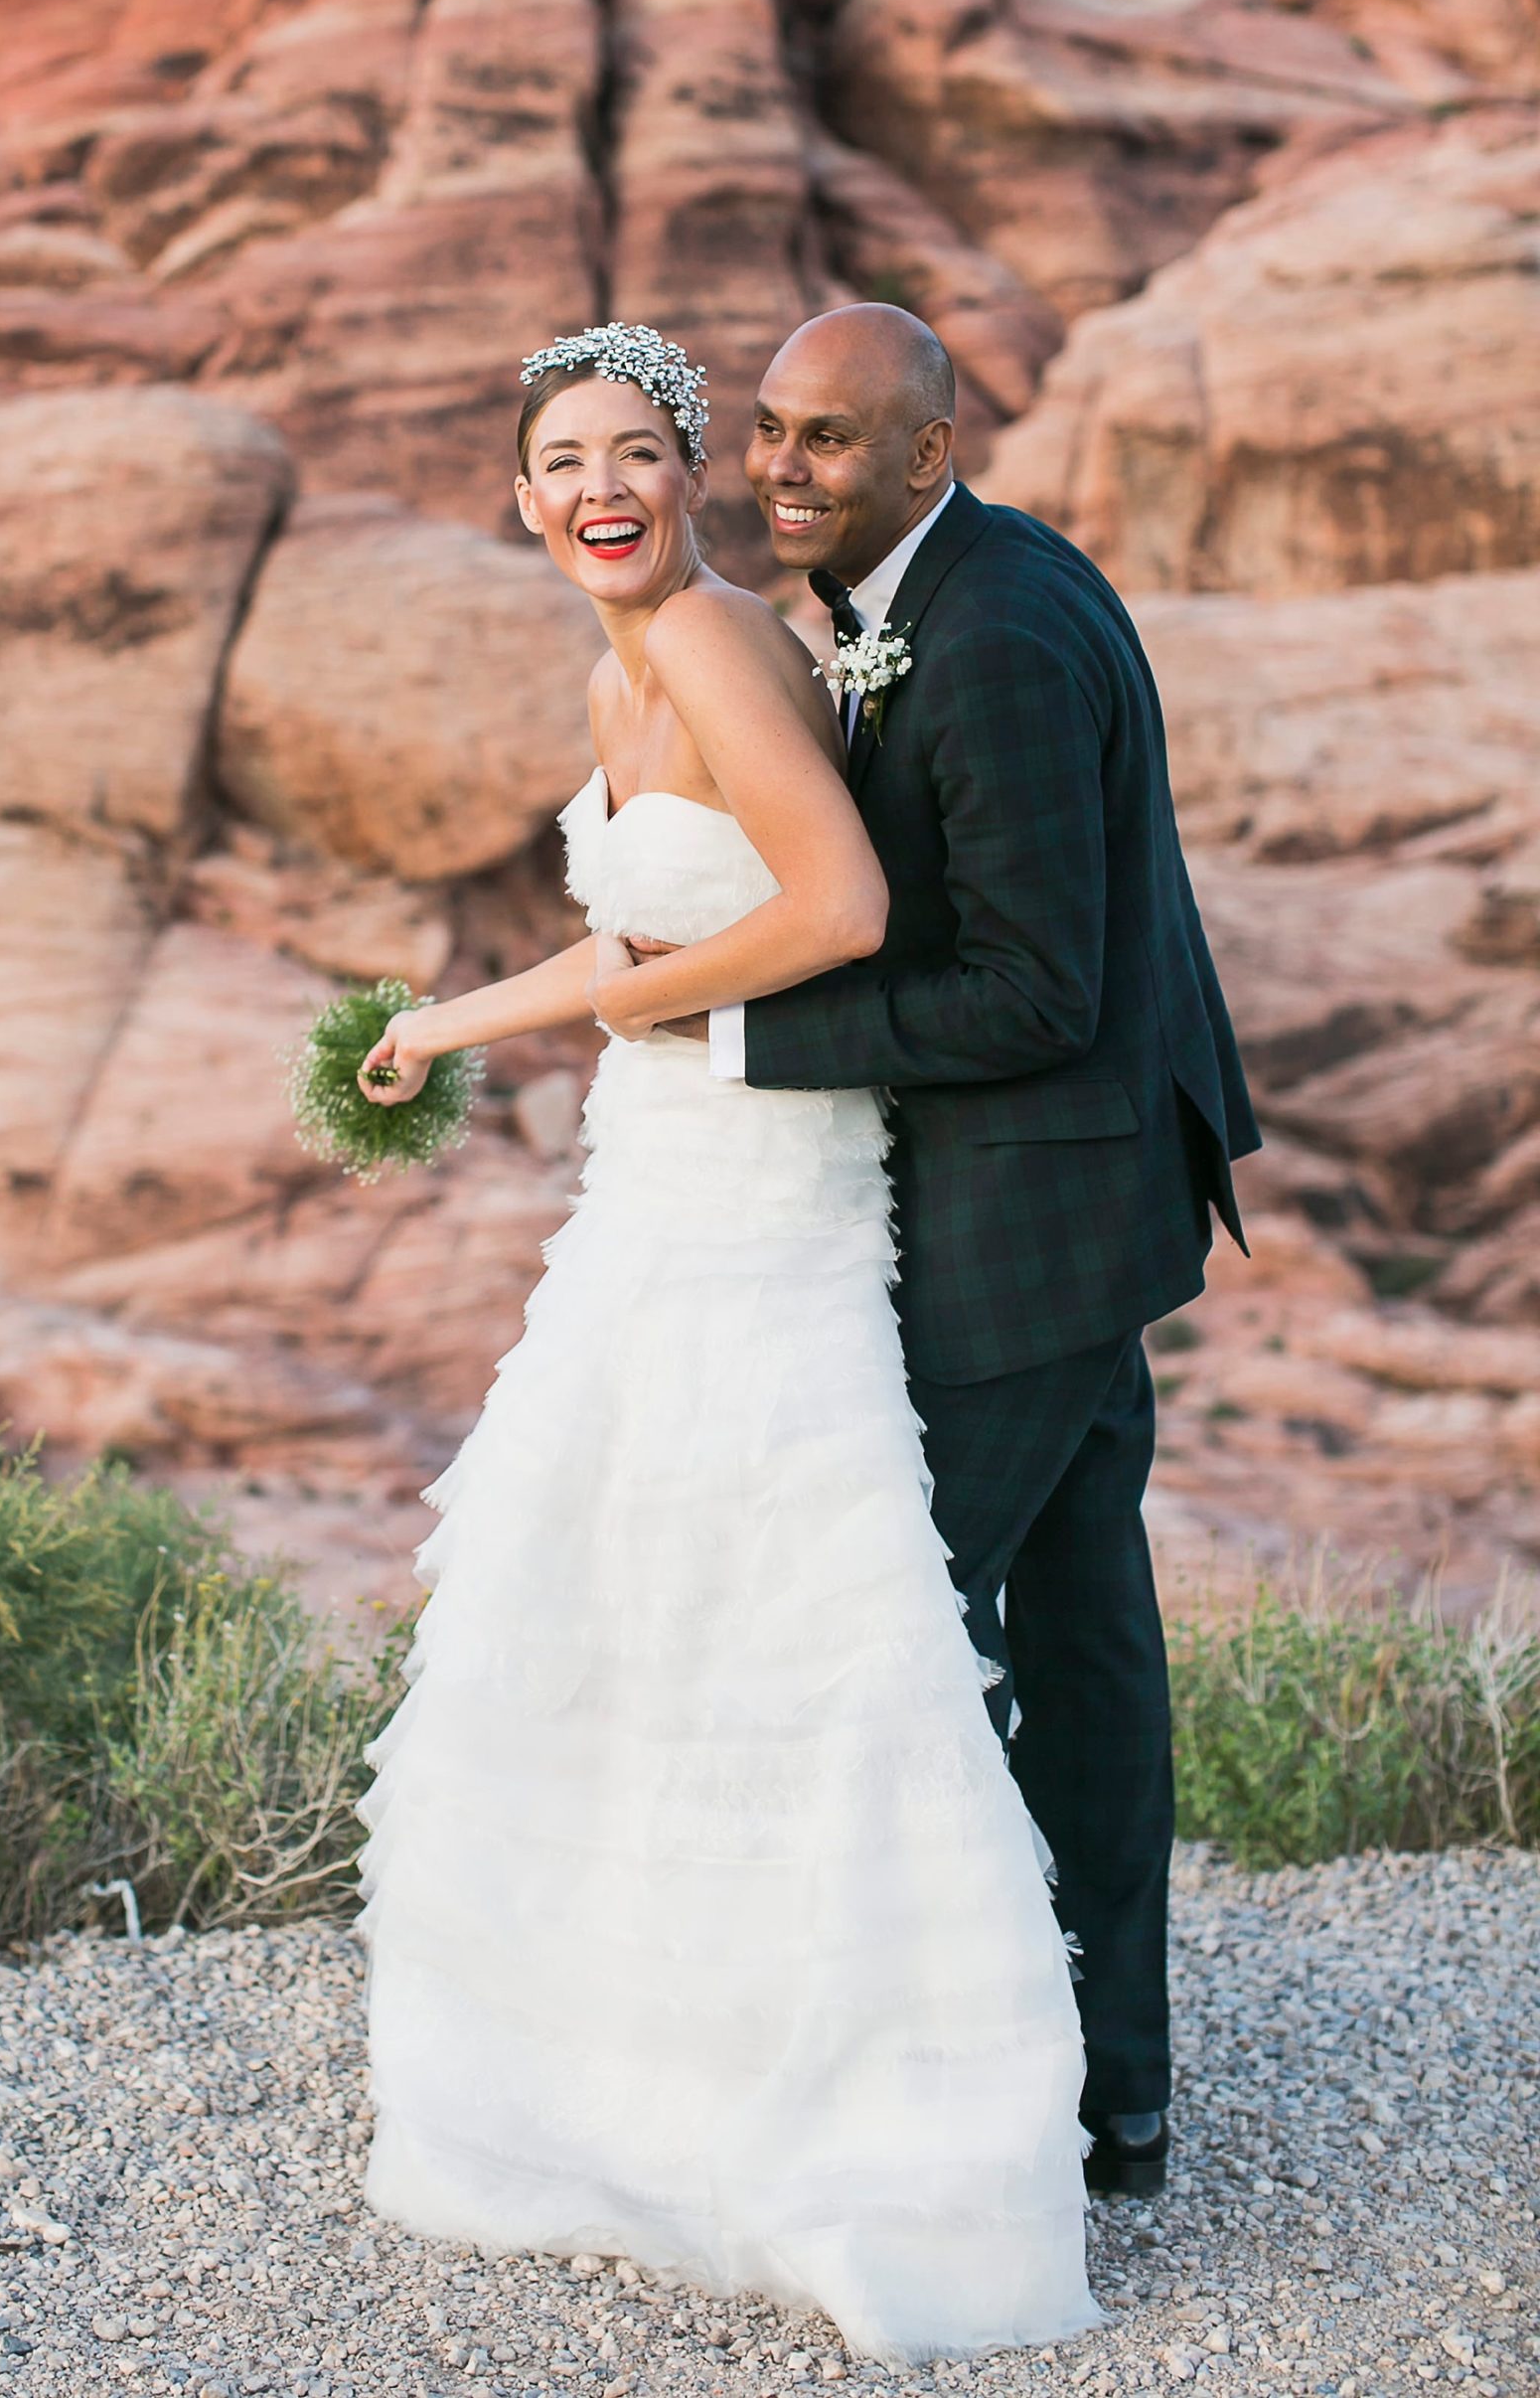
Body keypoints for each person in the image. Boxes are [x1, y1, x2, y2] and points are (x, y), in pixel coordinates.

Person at [352, 321, 1098, 2360]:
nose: (596, 483)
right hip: (663, 1181)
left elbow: (837, 904)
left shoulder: (703, 646)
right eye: (557, 459)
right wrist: (451, 1023)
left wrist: (649, 1018)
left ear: (685, 472)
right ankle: (655, 2089)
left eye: (632, 450)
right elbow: (641, 938)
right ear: (520, 501)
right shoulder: (652, 653)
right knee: (645, 1601)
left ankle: (875, 2119)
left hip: (753, 1194)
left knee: (778, 1614)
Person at [705, 303, 1260, 2197]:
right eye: (770, 427)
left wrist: (751, 1045)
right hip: (1096, 1195)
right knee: (1090, 1644)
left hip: (1037, 1208)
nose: (782, 468)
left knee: (893, 1635)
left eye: (832, 442)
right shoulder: (944, 582)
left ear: (928, 456)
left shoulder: (1000, 635)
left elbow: (1035, 989)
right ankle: (1114, 2089)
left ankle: (943, 2091)